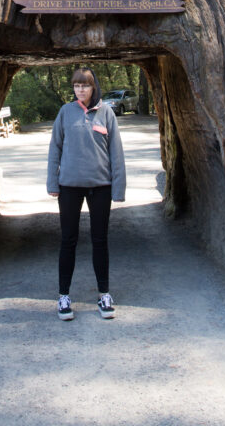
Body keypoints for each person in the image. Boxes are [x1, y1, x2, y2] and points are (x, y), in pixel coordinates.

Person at [47, 67, 126, 321]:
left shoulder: (106, 113)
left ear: (94, 87)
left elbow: (116, 152)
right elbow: (55, 148)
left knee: (100, 240)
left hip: (100, 186)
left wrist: (118, 188)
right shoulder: (65, 112)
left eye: (85, 85)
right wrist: (53, 183)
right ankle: (63, 297)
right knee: (68, 240)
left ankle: (104, 294)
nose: (80, 89)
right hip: (70, 186)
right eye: (76, 85)